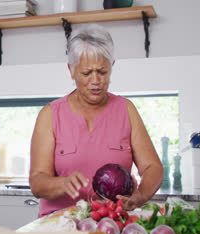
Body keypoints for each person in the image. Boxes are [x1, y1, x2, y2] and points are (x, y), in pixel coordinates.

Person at [29, 24, 163, 218]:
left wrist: (140, 196)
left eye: (102, 72)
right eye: (86, 73)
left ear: (112, 67)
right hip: (60, 224)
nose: (95, 80)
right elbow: (37, 182)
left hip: (112, 223)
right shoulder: (50, 115)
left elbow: (153, 167)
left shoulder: (126, 109)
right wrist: (62, 183)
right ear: (71, 70)